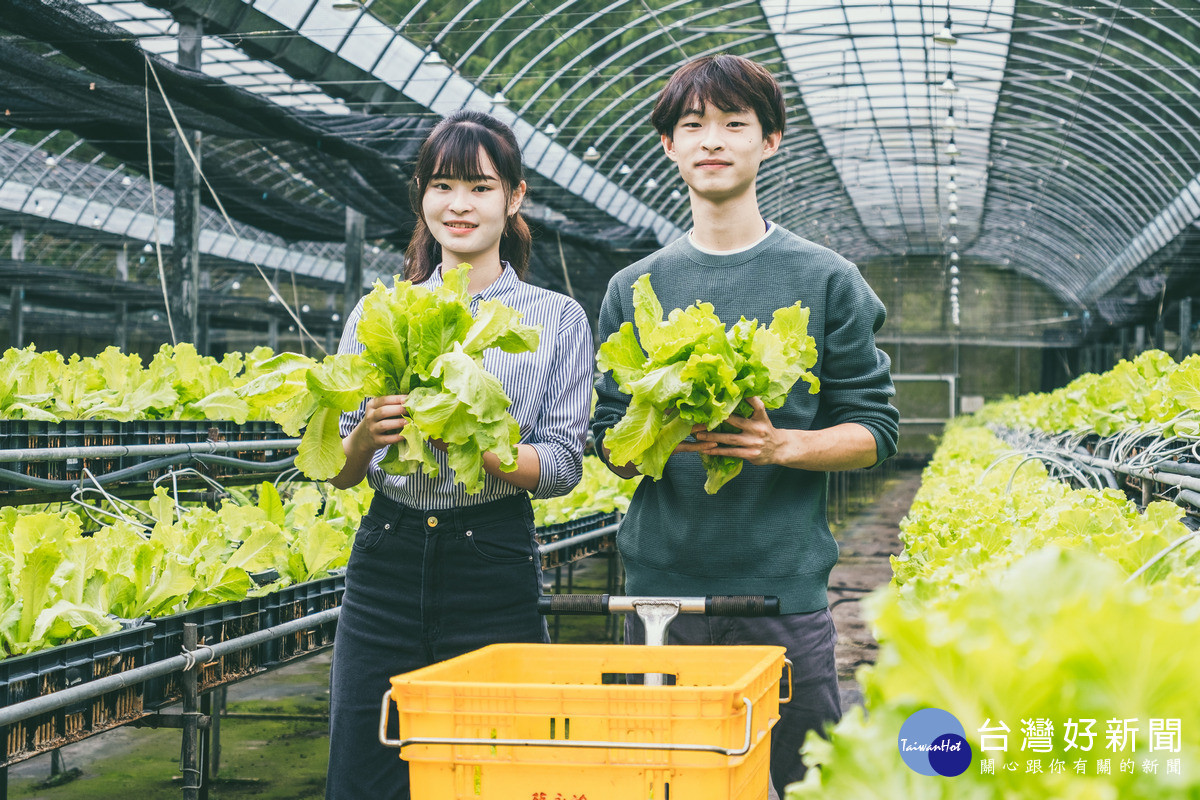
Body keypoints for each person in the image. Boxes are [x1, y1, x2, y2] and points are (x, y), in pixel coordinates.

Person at [591, 55, 899, 797]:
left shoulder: (824, 278)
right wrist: (647, 434)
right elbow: (608, 439)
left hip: (781, 595)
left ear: (771, 141)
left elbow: (876, 431)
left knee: (801, 781)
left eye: (735, 124)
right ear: (669, 146)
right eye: (692, 126)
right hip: (660, 596)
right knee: (665, 783)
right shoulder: (633, 288)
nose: (712, 141)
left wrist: (782, 444)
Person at [325, 109, 594, 800]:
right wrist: (364, 435)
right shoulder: (379, 311)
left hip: (492, 560)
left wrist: (480, 443)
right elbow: (340, 469)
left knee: (495, 773)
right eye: (443, 185)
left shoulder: (557, 318)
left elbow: (562, 466)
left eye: (479, 186)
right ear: (422, 197)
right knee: (367, 767)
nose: (460, 204)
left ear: (515, 197)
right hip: (386, 554)